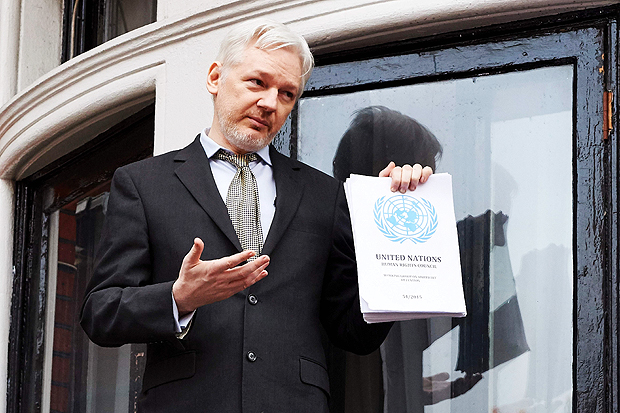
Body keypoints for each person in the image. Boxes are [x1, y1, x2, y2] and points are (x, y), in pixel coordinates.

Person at [80, 22, 433, 413]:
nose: (270, 103)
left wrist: (389, 221)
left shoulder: (323, 195)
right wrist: (178, 298)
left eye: (287, 94)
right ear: (216, 78)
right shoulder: (144, 184)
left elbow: (354, 333)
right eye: (257, 82)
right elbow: (101, 312)